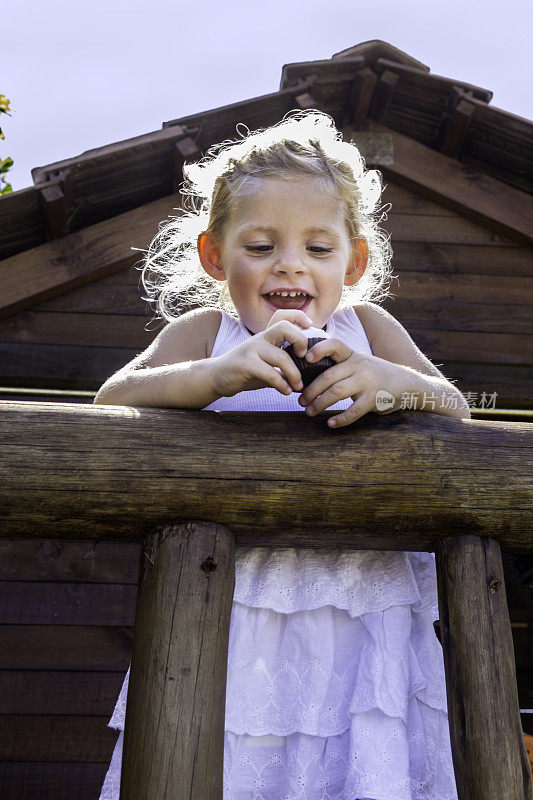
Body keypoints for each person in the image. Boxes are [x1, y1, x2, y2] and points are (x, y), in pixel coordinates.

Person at [95, 109, 467, 800]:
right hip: (229, 615)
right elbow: (112, 399)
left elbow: (456, 408)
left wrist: (394, 386)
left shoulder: (370, 328)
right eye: (260, 245)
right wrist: (216, 376)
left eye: (317, 249)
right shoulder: (206, 333)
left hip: (361, 617)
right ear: (214, 256)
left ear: (352, 262)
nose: (289, 264)